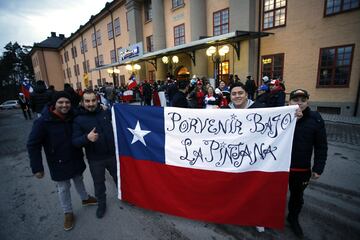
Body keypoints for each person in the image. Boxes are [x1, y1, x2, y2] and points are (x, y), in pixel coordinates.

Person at [27, 91, 97, 231]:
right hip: (58, 161)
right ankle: (68, 212)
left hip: (75, 157)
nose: (64, 105)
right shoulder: (43, 122)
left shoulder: (73, 115)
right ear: (54, 104)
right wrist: (37, 167)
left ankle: (85, 198)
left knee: (79, 179)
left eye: (67, 102)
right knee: (63, 188)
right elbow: (32, 144)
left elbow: (87, 111)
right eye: (61, 102)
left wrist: (102, 107)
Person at [287, 89, 328, 238]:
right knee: (273, 193)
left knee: (297, 197)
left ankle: (292, 218)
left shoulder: (315, 118)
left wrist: (318, 167)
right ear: (289, 102)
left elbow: (321, 145)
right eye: (295, 100)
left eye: (302, 100)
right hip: (278, 167)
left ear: (307, 102)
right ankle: (269, 216)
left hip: (301, 168)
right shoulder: (281, 115)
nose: (299, 103)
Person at [72, 89, 117, 219]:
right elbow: (75, 141)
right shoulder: (78, 120)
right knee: (99, 184)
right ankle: (101, 204)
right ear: (82, 102)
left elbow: (119, 116)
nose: (91, 103)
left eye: (93, 100)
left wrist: (107, 108)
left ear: (97, 100)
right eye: (87, 101)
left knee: (118, 177)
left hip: (112, 155)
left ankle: (124, 195)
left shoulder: (105, 112)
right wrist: (87, 138)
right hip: (95, 159)